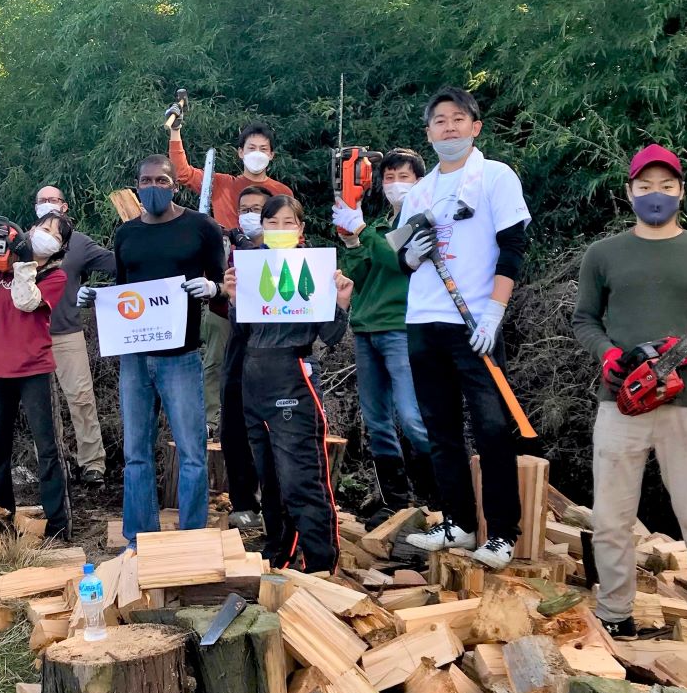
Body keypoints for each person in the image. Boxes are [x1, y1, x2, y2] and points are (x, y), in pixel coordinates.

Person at [571, 143, 687, 675]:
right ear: (629, 192)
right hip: (618, 403)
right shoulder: (604, 254)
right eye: (645, 187)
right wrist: (609, 357)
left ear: (680, 193)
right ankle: (615, 615)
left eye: (666, 187)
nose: (656, 195)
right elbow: (585, 320)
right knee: (610, 519)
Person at [395, 88, 530, 568]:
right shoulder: (420, 190)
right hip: (424, 320)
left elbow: (512, 247)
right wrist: (409, 255)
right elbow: (403, 256)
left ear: (476, 126)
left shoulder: (495, 177)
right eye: (439, 121)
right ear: (428, 133)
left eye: (458, 119)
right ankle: (458, 523)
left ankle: (502, 533)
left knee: (492, 429)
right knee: (440, 427)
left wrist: (495, 312)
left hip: (474, 321)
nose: (448, 127)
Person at [80, 154, 225, 549]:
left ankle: (192, 538)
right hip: (135, 357)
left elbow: (223, 280)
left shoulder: (201, 227)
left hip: (181, 354)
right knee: (136, 452)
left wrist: (213, 289)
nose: (154, 187)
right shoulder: (126, 234)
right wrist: (94, 298)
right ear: (137, 185)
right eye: (146, 181)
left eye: (162, 180)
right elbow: (125, 294)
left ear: (174, 184)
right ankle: (139, 538)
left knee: (192, 451)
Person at [223, 196, 354, 573]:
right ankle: (278, 552)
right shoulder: (249, 268)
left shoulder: (315, 269)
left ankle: (321, 563)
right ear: (262, 227)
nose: (280, 230)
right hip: (252, 379)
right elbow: (243, 330)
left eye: (288, 223)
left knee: (300, 478)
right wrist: (233, 300)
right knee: (269, 477)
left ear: (301, 229)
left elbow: (329, 335)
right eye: (272, 223)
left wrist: (341, 302)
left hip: (294, 377)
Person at [169, 115, 294, 434]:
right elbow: (183, 174)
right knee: (215, 361)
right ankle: (212, 420)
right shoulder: (221, 183)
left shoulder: (281, 191)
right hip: (222, 289)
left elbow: (293, 238)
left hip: (267, 294)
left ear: (272, 155)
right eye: (251, 147)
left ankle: (264, 420)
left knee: (264, 360)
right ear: (240, 152)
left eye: (263, 148)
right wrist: (175, 132)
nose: (257, 153)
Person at [333, 148, 435, 526]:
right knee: (377, 421)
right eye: (389, 177)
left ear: (420, 182)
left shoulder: (422, 222)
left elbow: (399, 261)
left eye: (403, 177)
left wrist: (360, 231)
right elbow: (360, 273)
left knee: (411, 416)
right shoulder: (377, 225)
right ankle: (396, 501)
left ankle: (439, 496)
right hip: (366, 327)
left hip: (401, 326)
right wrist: (352, 242)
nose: (395, 184)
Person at [0, 212, 76, 541]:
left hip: (34, 368)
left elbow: (26, 301)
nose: (43, 233)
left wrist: (24, 262)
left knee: (46, 448)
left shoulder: (55, 277)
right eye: (41, 227)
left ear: (61, 247)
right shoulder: (8, 267)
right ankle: (0, 522)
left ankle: (59, 526)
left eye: (52, 232)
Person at [34, 183, 116, 484]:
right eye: (41, 200)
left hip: (66, 332)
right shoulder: (23, 242)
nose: (46, 205)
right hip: (28, 336)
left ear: (64, 206)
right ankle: (51, 463)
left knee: (80, 398)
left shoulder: (78, 244)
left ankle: (92, 462)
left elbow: (117, 264)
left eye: (52, 200)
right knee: (39, 404)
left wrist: (96, 292)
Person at [219, 184, 273, 530]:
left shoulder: (297, 255)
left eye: (258, 209)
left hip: (278, 349)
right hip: (239, 343)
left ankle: (276, 502)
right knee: (233, 426)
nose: (251, 215)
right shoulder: (230, 250)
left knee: (272, 429)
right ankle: (243, 502)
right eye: (245, 209)